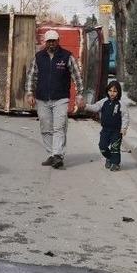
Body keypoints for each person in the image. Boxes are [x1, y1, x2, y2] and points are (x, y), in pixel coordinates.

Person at [25, 29, 85, 170]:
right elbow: (31, 76)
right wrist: (29, 93)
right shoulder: (38, 57)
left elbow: (77, 76)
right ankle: (52, 154)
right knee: (45, 128)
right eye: (49, 41)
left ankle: (58, 155)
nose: (51, 43)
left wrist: (79, 94)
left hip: (61, 98)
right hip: (42, 98)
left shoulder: (67, 56)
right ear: (45, 42)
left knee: (59, 127)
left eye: (54, 41)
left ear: (58, 41)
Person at [84, 80, 130, 171]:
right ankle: (109, 158)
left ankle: (115, 163)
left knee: (115, 148)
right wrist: (85, 106)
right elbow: (95, 107)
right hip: (105, 130)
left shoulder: (121, 104)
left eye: (115, 91)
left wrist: (124, 128)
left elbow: (125, 116)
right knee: (102, 147)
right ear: (107, 91)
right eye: (110, 91)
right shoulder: (103, 101)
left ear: (118, 92)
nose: (112, 93)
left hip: (116, 131)